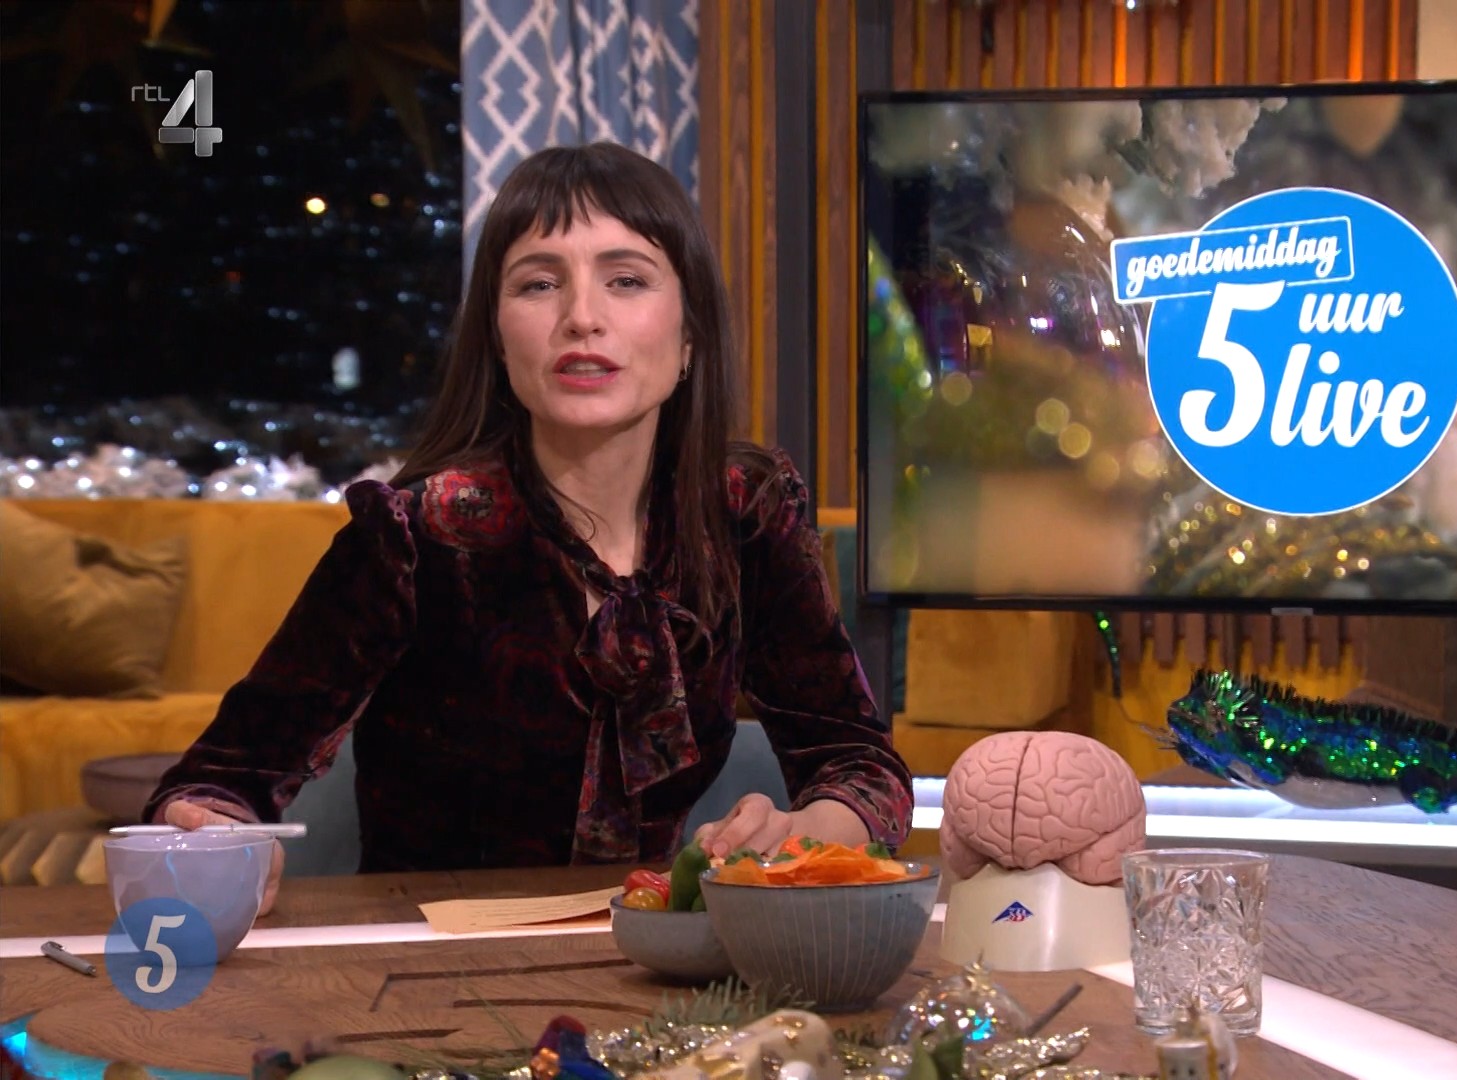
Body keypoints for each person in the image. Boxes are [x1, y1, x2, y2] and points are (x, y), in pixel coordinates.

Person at [142, 142, 913, 913]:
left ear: (689, 338)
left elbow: (861, 765)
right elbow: (216, 783)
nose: (582, 317)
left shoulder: (744, 511)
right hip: (430, 961)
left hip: (658, 951)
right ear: (497, 336)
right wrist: (217, 836)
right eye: (540, 284)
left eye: (626, 280)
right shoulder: (416, 534)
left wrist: (803, 832)